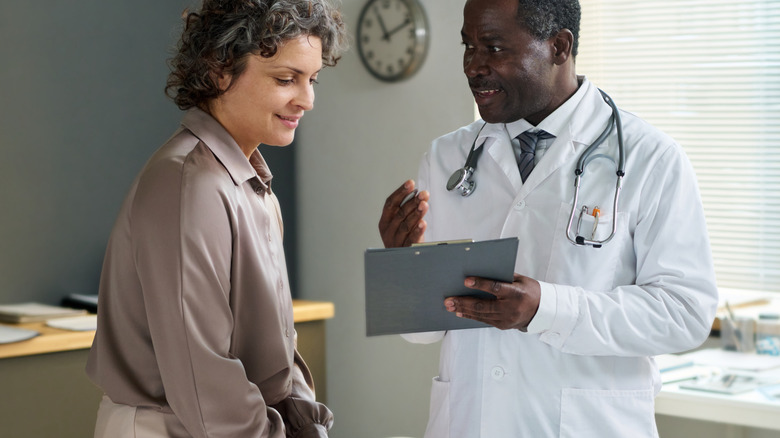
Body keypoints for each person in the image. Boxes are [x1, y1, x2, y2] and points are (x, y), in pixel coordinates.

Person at [378, 0, 717, 436]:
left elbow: (685, 313)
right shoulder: (448, 157)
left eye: (494, 48)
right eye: (468, 47)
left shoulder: (651, 159)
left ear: (558, 46)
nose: (473, 67)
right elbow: (421, 334)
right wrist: (403, 268)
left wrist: (547, 310)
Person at [86, 1, 347, 437]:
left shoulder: (251, 186)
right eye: (287, 79)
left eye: (312, 79)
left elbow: (279, 352)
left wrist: (305, 424)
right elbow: (204, 378)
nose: (308, 100)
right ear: (219, 70)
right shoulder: (189, 184)